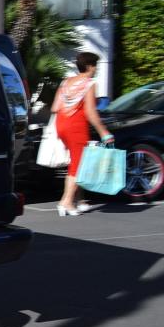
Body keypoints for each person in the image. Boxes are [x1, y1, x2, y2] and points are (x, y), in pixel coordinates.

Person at [55, 52, 114, 217]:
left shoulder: (66, 82)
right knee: (79, 165)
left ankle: (79, 201)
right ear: (89, 66)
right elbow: (90, 112)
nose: (96, 69)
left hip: (61, 124)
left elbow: (55, 107)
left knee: (75, 162)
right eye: (95, 66)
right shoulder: (89, 83)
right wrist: (104, 132)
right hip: (76, 126)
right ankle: (66, 201)